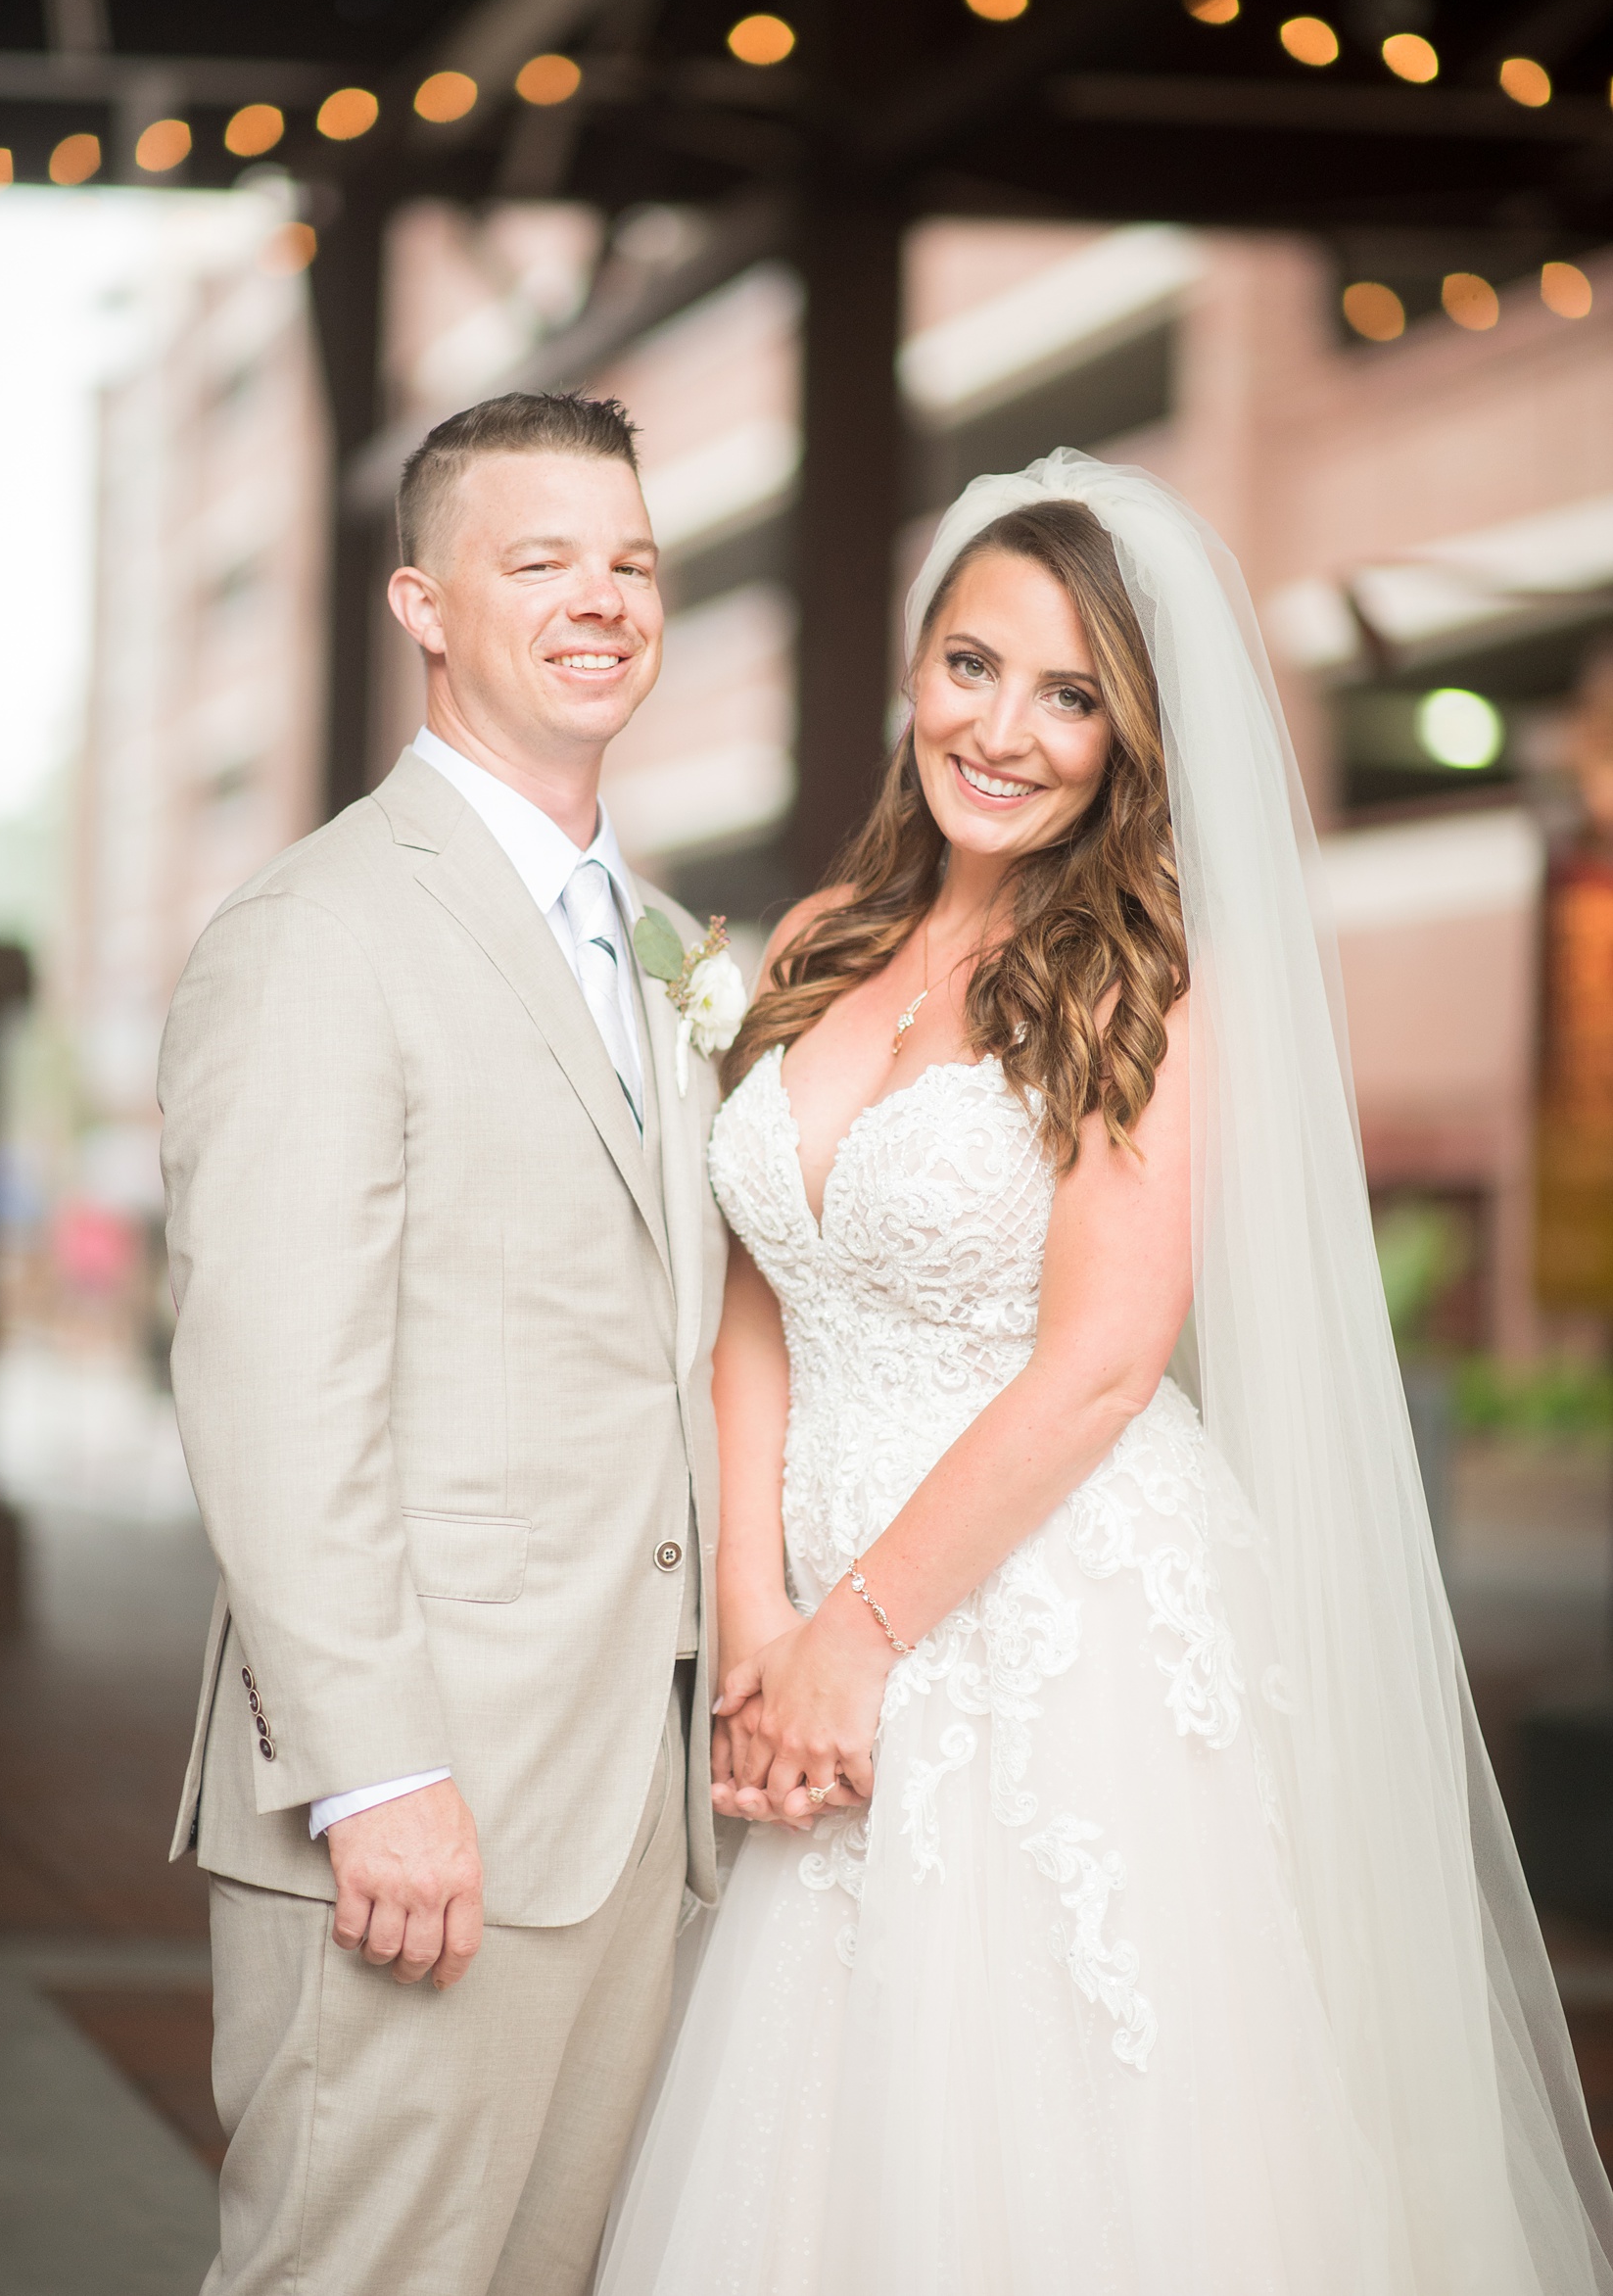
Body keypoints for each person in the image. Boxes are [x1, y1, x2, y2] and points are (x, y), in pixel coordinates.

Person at [597, 451, 1613, 2295]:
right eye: (972, 666)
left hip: (1039, 1615)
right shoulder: (824, 950)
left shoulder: (1145, 981)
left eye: (1071, 695)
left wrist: (861, 1632)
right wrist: (758, 1606)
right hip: (808, 1613)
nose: (1007, 729)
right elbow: (758, 1301)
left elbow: (1102, 1365)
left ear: (1129, 735)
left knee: (1058, 2135)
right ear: (918, 671)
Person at [159, 390, 735, 2296]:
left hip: (629, 1813)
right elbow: (270, 1381)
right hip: (423, 1806)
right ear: (421, 598)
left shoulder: (666, 941)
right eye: (542, 557)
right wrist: (373, 1762)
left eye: (632, 561)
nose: (603, 599)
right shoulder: (317, 929)